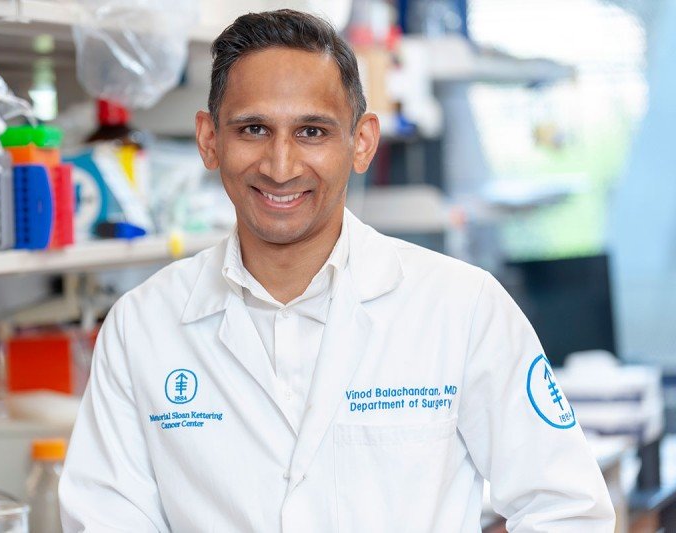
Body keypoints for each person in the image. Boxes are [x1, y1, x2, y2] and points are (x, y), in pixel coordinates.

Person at [60, 9, 615, 532]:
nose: (280, 166)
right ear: (210, 140)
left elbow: (566, 508)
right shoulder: (142, 327)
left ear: (361, 141)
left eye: (312, 132)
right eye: (253, 129)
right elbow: (106, 520)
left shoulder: (461, 306)